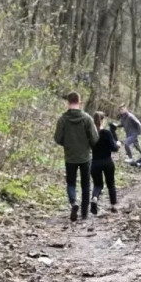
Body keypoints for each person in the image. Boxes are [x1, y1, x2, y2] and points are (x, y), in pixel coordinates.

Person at [53, 91, 98, 222]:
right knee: (85, 184)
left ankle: (73, 203)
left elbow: (57, 138)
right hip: (85, 157)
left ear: (67, 103)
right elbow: (95, 139)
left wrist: (67, 144)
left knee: (71, 183)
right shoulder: (87, 118)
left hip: (70, 156)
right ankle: (84, 213)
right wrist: (88, 146)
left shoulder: (63, 119)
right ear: (80, 102)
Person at [90, 111, 120, 214]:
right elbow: (114, 148)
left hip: (95, 162)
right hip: (107, 162)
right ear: (102, 120)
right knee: (111, 184)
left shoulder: (91, 134)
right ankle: (113, 205)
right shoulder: (107, 133)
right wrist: (118, 144)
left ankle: (94, 198)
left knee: (97, 185)